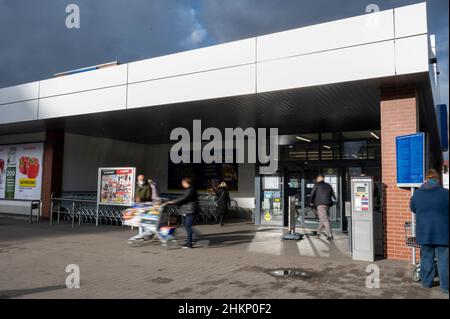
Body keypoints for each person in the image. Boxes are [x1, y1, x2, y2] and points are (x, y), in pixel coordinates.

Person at [410, 169, 449, 294]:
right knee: (444, 261)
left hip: (425, 232)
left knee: (426, 258)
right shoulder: (446, 193)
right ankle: (445, 287)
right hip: (443, 233)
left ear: (426, 179)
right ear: (437, 180)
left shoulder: (417, 194)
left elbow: (413, 208)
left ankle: (427, 283)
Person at [167, 178, 199, 249]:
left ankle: (189, 244)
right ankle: (190, 241)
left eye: (183, 183)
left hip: (190, 210)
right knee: (186, 225)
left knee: (187, 226)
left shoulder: (191, 190)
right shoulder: (189, 189)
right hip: (188, 210)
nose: (182, 184)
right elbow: (183, 198)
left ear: (187, 183)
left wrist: (173, 202)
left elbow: (184, 198)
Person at [310, 174, 336, 241]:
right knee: (323, 218)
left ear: (319, 179)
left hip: (320, 204)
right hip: (328, 204)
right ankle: (318, 233)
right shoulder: (328, 185)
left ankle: (330, 235)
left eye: (317, 179)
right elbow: (332, 194)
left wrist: (311, 202)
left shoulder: (317, 185)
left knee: (324, 219)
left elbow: (312, 194)